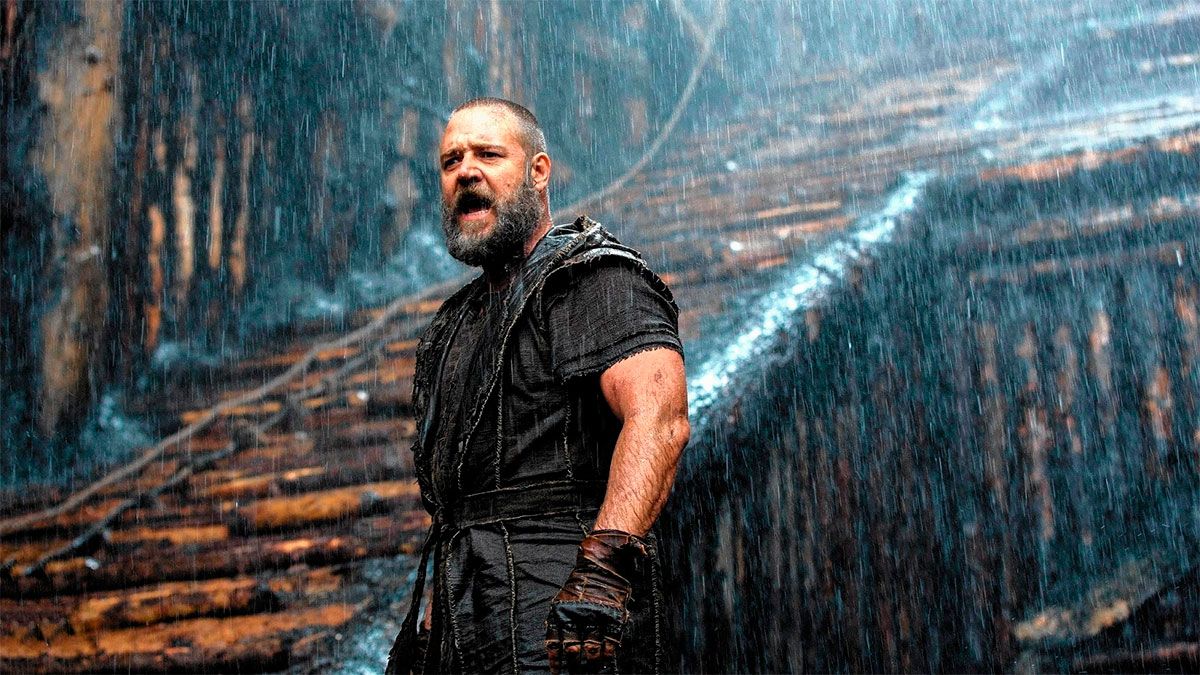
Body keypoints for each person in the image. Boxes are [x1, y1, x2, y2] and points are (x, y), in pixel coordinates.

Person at [386, 97, 689, 674]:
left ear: (538, 171)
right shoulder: (454, 325)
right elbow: (460, 505)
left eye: (488, 155)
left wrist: (602, 571)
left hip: (564, 627)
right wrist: (433, 627)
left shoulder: (593, 279)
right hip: (469, 628)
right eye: (451, 161)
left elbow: (660, 420)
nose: (466, 172)